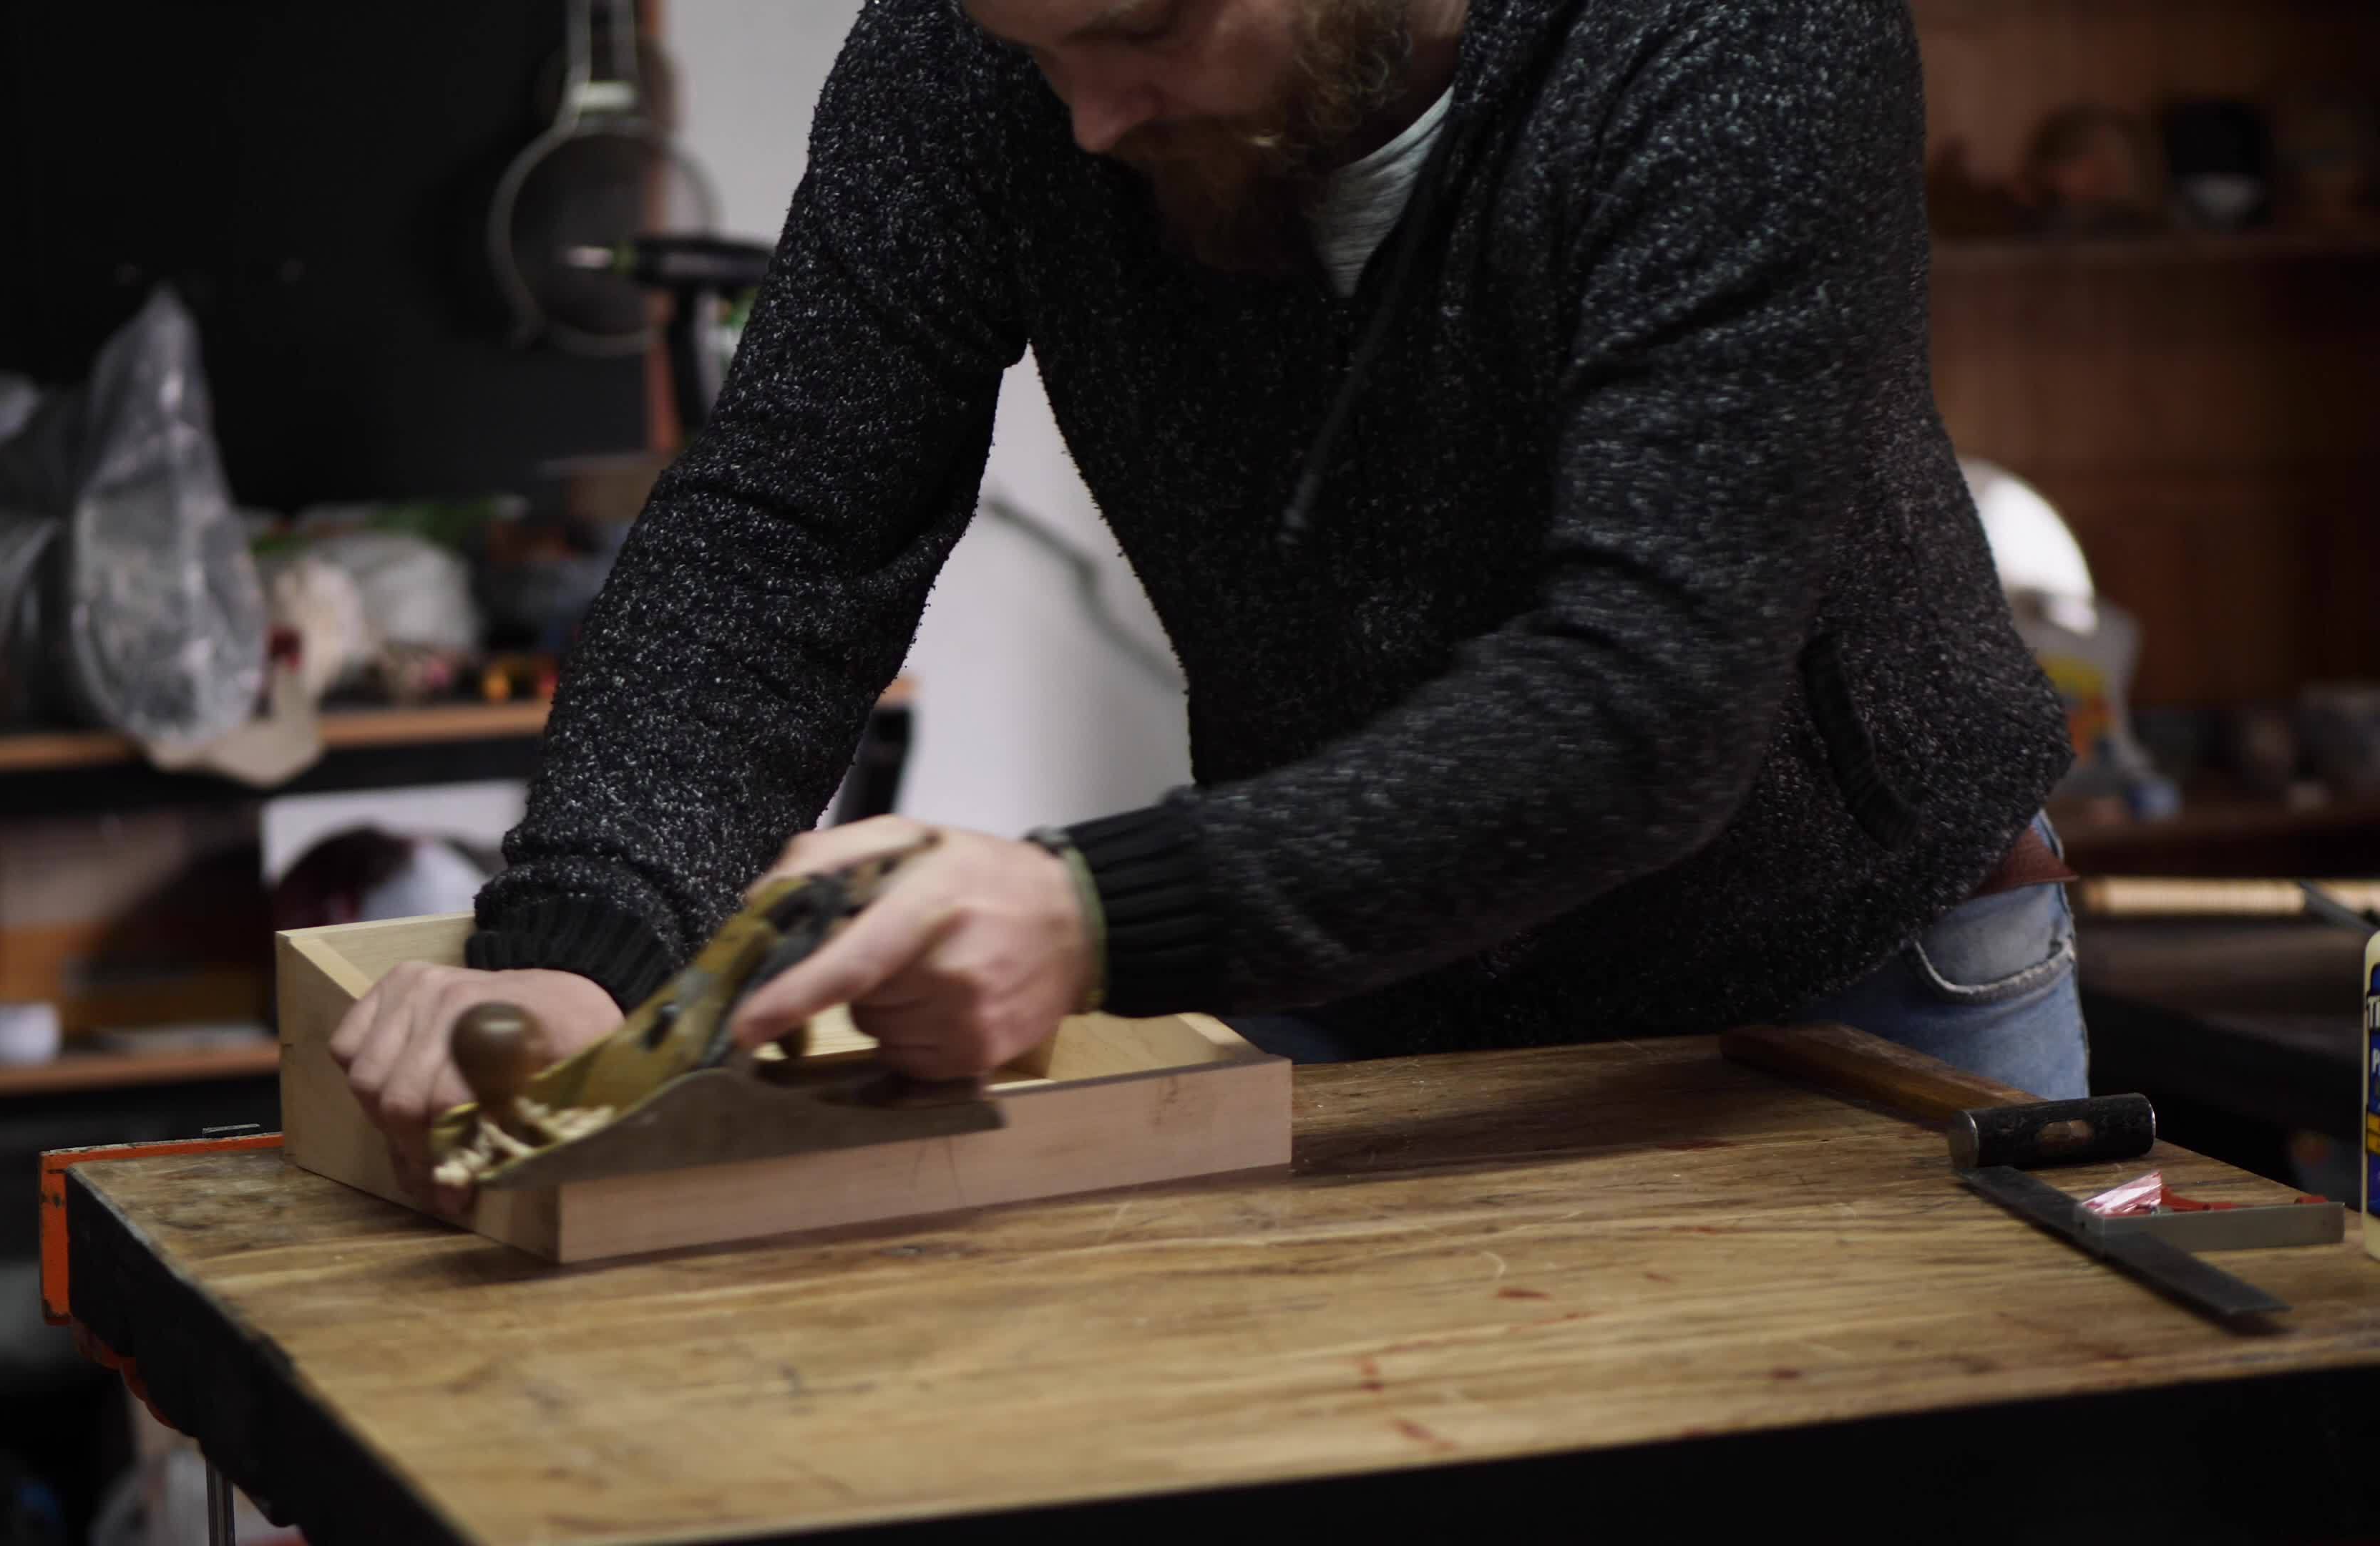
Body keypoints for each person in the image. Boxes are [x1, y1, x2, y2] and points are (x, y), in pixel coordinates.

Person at [331, 0, 2084, 1210]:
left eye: (1144, 32)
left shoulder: (1732, 43)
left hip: (1849, 990)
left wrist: (1092, 915)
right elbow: (785, 523)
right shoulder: (995, 64)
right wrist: (588, 939)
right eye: (1040, 47)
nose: (1085, 118)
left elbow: (1647, 693)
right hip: (1366, 985)